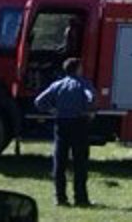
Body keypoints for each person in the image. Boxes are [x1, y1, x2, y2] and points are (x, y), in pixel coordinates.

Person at [34, 58, 95, 207]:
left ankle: (60, 198)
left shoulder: (57, 85)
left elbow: (39, 101)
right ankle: (80, 198)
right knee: (80, 162)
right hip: (79, 124)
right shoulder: (83, 84)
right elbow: (91, 96)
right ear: (78, 69)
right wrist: (89, 110)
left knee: (60, 162)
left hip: (61, 124)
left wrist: (53, 110)